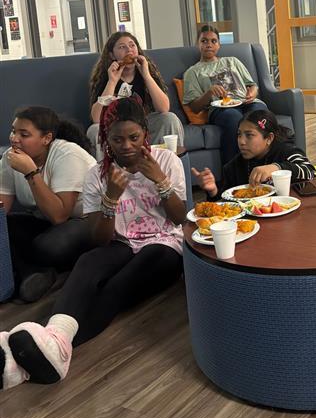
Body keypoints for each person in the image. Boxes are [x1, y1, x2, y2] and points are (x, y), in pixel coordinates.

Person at [1, 96, 187, 390]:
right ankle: (51, 340)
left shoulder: (167, 161)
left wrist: (160, 180)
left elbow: (179, 219)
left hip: (165, 245)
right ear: (106, 139)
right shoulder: (96, 175)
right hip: (121, 241)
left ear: (145, 135)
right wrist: (111, 197)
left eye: (134, 137)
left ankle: (52, 347)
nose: (126, 146)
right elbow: (99, 238)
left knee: (119, 283)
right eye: (117, 139)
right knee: (88, 262)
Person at [0, 106, 96, 303]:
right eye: (13, 131)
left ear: (46, 138)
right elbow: (2, 209)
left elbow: (59, 215)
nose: (14, 138)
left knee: (48, 246)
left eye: (24, 134)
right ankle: (32, 274)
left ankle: (37, 272)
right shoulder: (11, 157)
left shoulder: (68, 154)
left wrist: (30, 172)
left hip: (86, 222)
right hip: (46, 222)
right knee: (5, 227)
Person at [88, 31, 184, 158]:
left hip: (143, 125)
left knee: (170, 119)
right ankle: (107, 175)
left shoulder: (146, 72)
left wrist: (146, 75)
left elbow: (164, 108)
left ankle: (169, 168)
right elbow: (96, 118)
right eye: (122, 47)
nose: (129, 50)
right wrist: (112, 81)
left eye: (132, 45)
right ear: (112, 55)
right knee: (94, 131)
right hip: (115, 127)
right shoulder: (106, 76)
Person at [183, 24, 267, 164]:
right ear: (198, 44)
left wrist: (252, 92)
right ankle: (233, 174)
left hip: (246, 102)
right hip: (221, 109)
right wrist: (209, 93)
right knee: (234, 118)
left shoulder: (232, 61)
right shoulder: (192, 72)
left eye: (213, 41)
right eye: (204, 41)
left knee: (261, 114)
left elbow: (252, 85)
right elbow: (195, 107)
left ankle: (266, 165)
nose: (209, 44)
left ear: (219, 45)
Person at [193, 109, 315, 197]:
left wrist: (276, 167)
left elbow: (310, 171)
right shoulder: (233, 167)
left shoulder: (285, 151)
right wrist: (213, 190)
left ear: (269, 138)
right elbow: (226, 202)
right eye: (239, 135)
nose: (241, 141)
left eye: (249, 135)